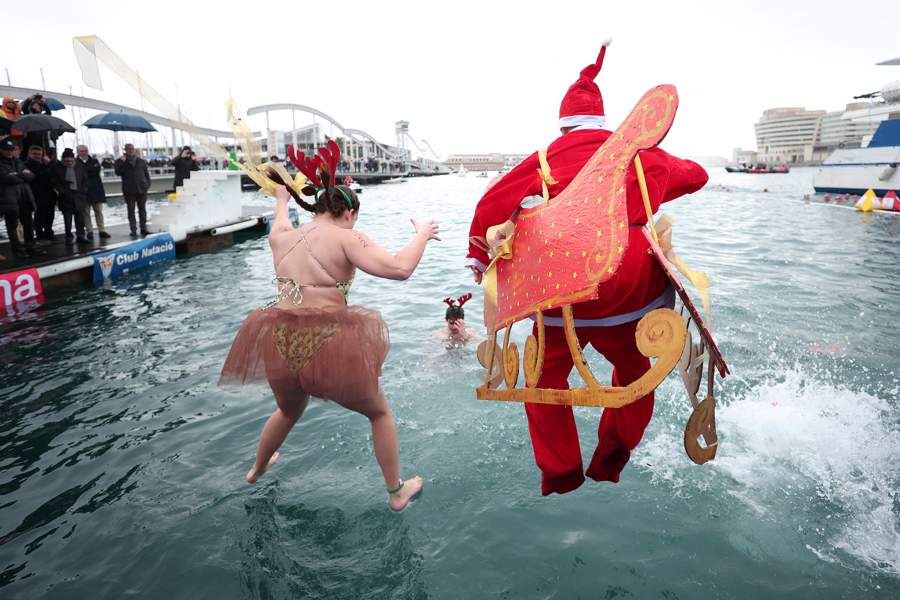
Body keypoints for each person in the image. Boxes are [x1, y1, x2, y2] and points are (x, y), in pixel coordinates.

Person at [465, 42, 709, 496]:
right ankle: (612, 456)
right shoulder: (638, 155)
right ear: (602, 121)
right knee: (635, 368)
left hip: (561, 294)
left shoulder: (543, 160)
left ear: (563, 124)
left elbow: (490, 206)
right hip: (628, 289)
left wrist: (480, 258)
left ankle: (560, 472)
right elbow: (696, 175)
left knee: (542, 376)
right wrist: (650, 189)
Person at [219, 141, 439, 511]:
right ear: (349, 211)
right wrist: (422, 232)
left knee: (289, 410)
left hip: (281, 338)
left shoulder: (281, 238)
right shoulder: (347, 237)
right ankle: (396, 492)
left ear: (317, 207)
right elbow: (400, 269)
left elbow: (280, 218)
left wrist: (282, 198)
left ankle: (256, 470)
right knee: (378, 412)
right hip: (327, 339)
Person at [0, 137, 37, 257]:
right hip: (9, 199)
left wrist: (18, 174)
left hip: (24, 197)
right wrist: (22, 175)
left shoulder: (18, 161)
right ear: (1, 150)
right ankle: (17, 249)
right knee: (12, 226)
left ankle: (30, 245)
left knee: (28, 223)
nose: (10, 152)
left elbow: (31, 176)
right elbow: (6, 178)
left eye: (11, 149)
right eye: (7, 150)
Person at [52, 148, 89, 245]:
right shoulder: (58, 168)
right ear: (63, 160)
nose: (69, 162)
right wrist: (63, 191)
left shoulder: (79, 166)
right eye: (67, 161)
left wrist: (83, 191)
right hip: (65, 197)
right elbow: (55, 182)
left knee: (80, 219)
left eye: (71, 160)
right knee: (67, 220)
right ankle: (68, 237)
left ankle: (81, 236)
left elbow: (85, 180)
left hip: (79, 196)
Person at [114, 143, 151, 236]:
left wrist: (147, 185)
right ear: (125, 150)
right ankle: (133, 230)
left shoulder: (141, 161)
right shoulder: (120, 161)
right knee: (131, 210)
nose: (130, 150)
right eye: (128, 149)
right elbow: (118, 172)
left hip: (142, 189)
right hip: (129, 190)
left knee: (142, 209)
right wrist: (123, 162)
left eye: (132, 148)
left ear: (134, 149)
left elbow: (146, 174)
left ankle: (143, 228)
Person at [24, 145, 57, 242]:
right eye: (35, 154)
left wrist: (49, 163)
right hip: (37, 194)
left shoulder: (44, 163)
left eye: (39, 154)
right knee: (39, 216)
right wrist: (48, 165)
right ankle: (39, 235)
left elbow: (53, 174)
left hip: (49, 194)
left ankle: (49, 232)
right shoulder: (27, 164)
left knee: (50, 215)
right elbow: (38, 176)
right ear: (30, 154)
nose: (37, 156)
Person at [76, 145, 109, 240]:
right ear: (78, 152)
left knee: (98, 211)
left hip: (96, 190)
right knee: (85, 213)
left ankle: (101, 230)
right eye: (81, 151)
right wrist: (87, 171)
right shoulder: (75, 162)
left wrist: (83, 171)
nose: (84, 152)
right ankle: (89, 231)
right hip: (83, 191)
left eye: (85, 150)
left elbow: (96, 171)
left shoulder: (94, 161)